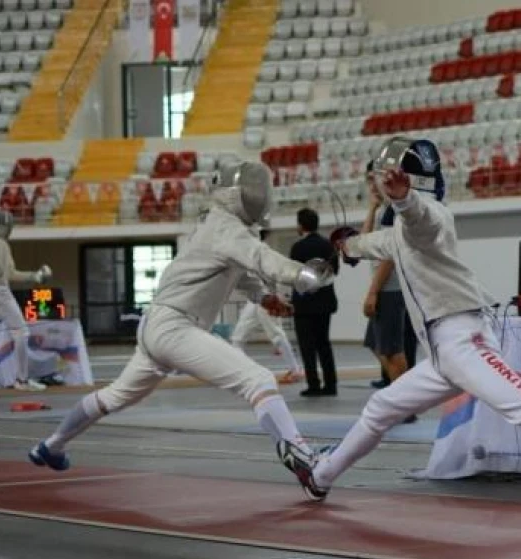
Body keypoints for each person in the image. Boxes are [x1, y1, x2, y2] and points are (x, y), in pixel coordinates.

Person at [280, 137, 521, 522]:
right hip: (442, 354)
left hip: (465, 339)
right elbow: (370, 243)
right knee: (381, 408)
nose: (384, 184)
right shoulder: (398, 232)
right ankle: (320, 476)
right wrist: (345, 245)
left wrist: (402, 201)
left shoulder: (431, 216)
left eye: (391, 179)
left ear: (410, 181)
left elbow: (420, 222)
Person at [27, 161, 334, 480]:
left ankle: (51, 445)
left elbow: (240, 273)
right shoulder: (226, 227)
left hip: (155, 327)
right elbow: (261, 259)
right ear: (233, 195)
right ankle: (306, 464)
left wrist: (266, 298)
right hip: (174, 327)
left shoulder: (220, 227)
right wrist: (302, 274)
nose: (259, 196)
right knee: (258, 380)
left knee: (113, 397)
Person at [0, 209, 51, 393]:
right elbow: (10, 274)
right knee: (21, 332)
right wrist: (35, 276)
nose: (7, 230)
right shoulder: (0, 245)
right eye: (5, 226)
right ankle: (22, 380)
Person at [360, 161, 417, 423]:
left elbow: (389, 257)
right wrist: (371, 207)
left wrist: (373, 292)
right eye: (369, 181)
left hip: (390, 288)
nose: (372, 185)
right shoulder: (383, 210)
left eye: (375, 180)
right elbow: (364, 243)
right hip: (384, 288)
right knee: (376, 343)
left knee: (393, 350)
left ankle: (405, 405)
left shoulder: (395, 212)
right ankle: (402, 398)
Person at [230, 228, 305, 384]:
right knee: (238, 336)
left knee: (276, 335)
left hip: (267, 299)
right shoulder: (249, 250)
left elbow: (271, 275)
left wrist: (272, 297)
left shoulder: (262, 251)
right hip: (256, 299)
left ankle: (295, 370)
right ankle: (240, 372)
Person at [290, 208, 339, 397]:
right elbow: (334, 271)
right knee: (324, 344)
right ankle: (331, 384)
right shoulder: (328, 246)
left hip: (304, 304)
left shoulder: (298, 248)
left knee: (307, 346)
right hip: (325, 302)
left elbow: (294, 274)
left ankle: (313, 384)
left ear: (301, 225)